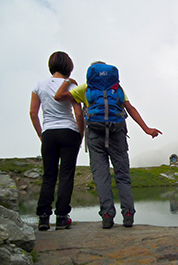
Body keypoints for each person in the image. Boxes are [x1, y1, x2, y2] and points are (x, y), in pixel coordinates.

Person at [55, 62, 162, 229]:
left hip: (95, 136)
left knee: (101, 176)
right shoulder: (116, 88)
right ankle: (128, 214)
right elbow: (130, 108)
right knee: (123, 176)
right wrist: (146, 129)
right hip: (117, 135)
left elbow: (58, 96)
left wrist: (68, 81)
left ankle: (107, 215)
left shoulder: (85, 88)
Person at [30, 51, 84, 231]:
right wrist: (80, 133)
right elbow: (78, 113)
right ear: (69, 67)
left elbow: (33, 113)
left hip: (49, 133)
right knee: (66, 174)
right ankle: (62, 217)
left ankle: (43, 218)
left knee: (49, 175)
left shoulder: (39, 85)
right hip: (69, 131)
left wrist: (40, 133)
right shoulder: (70, 86)